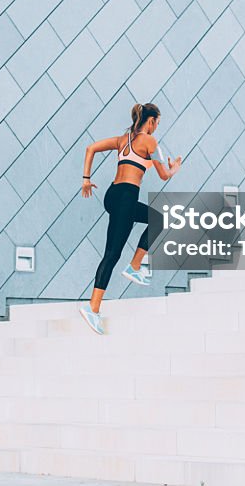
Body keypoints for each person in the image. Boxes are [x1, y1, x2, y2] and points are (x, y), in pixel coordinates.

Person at [78, 102, 182, 334]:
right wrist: (174, 168)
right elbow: (163, 175)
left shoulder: (122, 140)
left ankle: (134, 265)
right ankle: (93, 308)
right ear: (152, 120)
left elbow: (90, 148)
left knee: (158, 219)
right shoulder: (150, 141)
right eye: (157, 123)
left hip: (113, 195)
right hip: (125, 197)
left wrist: (86, 179)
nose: (156, 128)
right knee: (112, 254)